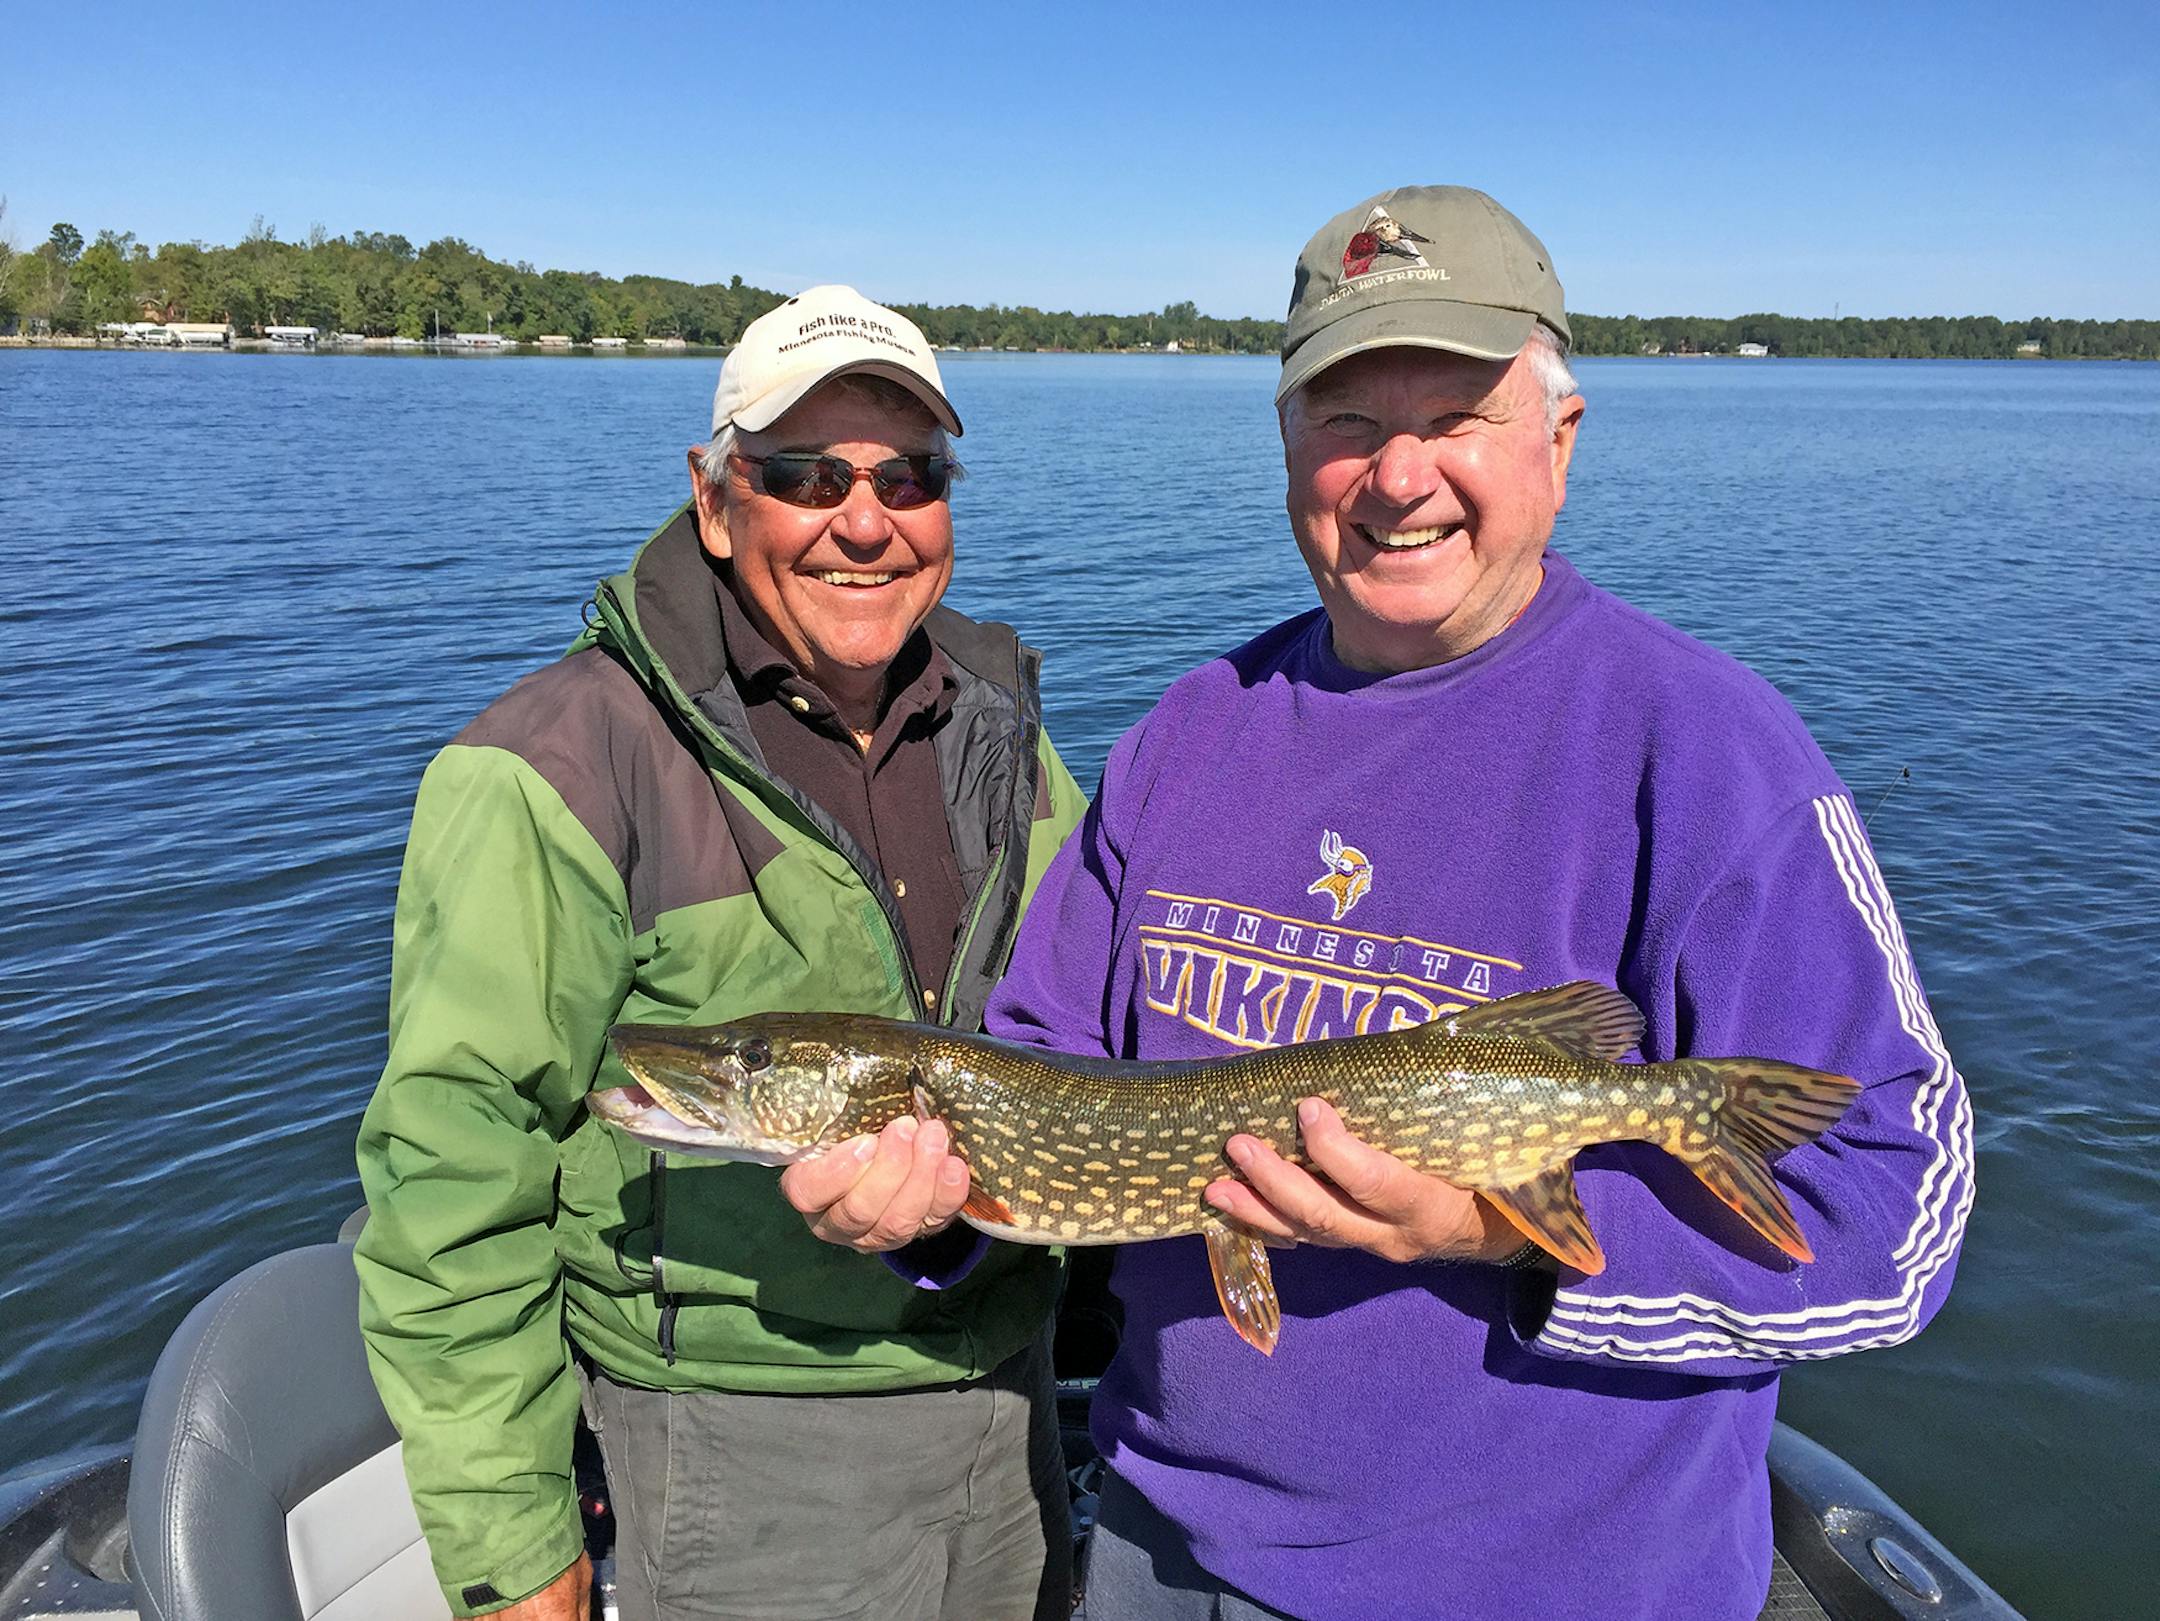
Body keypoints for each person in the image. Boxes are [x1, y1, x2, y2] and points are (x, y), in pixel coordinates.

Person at [980, 188, 1974, 1620]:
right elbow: (1036, 1069)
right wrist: (929, 1211)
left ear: (1557, 441)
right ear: (1283, 450)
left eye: (1453, 414)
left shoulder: (1707, 751)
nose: (1396, 477)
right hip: (1163, 1552)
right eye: (1343, 422)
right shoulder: (1187, 733)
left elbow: (1901, 1218)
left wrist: (1505, 1230)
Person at [355, 285, 1086, 1621]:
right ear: (715, 497)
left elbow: (1096, 1026)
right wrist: (514, 1553)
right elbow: (446, 1182)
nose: (863, 519)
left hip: (1010, 1410)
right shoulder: (554, 766)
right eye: (806, 474)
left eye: (908, 476)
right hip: (742, 1449)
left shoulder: (1006, 740)